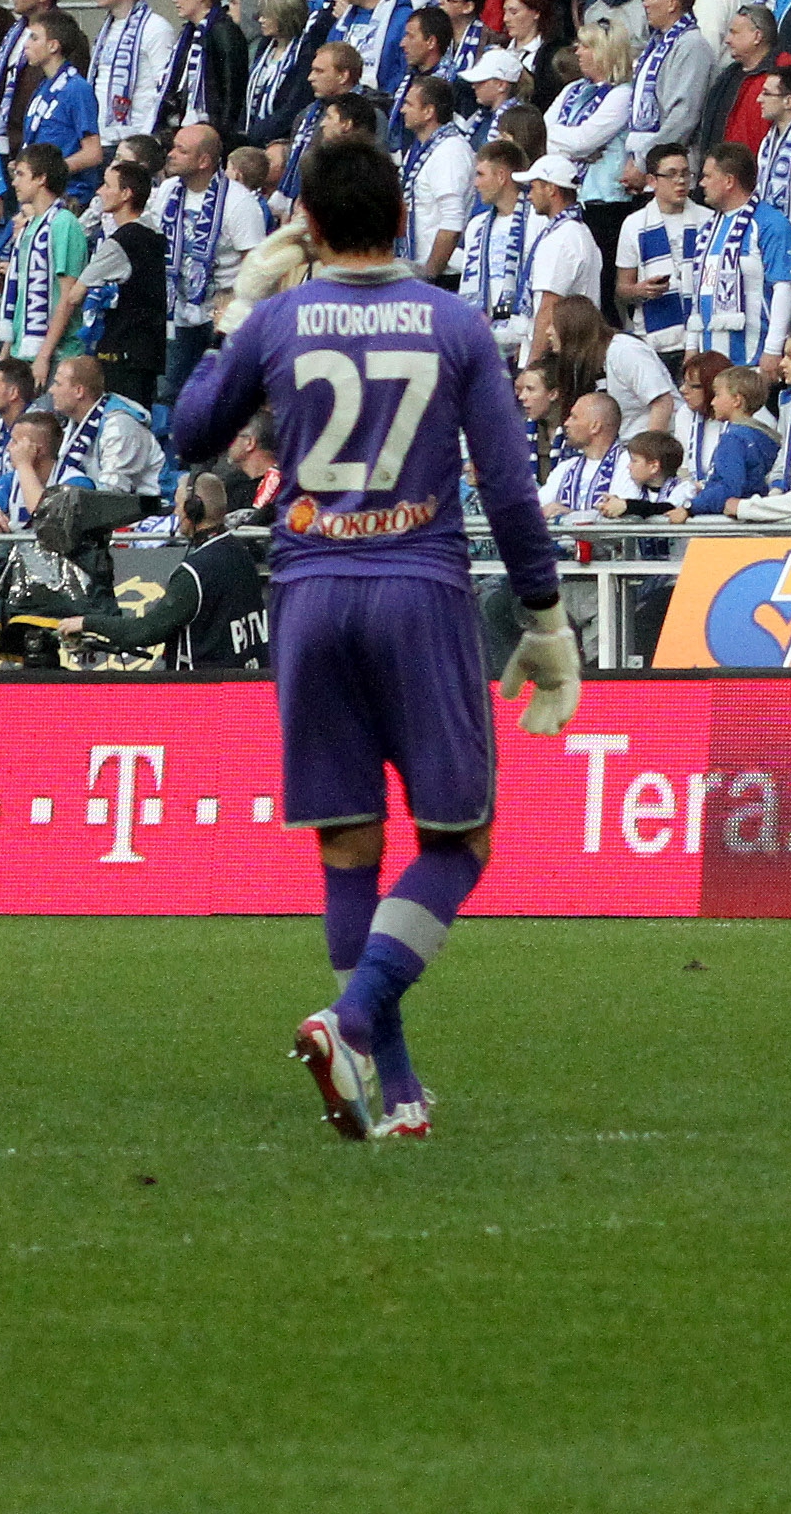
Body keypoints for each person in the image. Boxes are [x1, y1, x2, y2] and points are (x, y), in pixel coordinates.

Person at [166, 135, 577, 1145]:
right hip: (417, 591)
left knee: (351, 845)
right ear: (402, 218)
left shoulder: (277, 318)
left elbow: (188, 433)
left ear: (305, 221)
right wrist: (544, 617)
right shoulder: (454, 323)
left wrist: (234, 311)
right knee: (458, 841)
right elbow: (512, 488)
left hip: (308, 594)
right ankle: (353, 1025)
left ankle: (391, 1092)